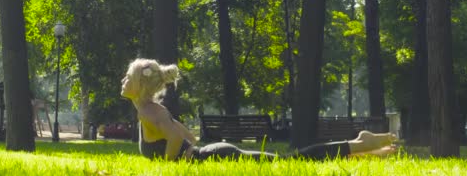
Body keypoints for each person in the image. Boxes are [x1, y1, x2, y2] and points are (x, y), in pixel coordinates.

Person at [121, 58, 397, 161]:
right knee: (289, 160)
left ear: (140, 87)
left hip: (216, 157)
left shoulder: (149, 112)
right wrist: (189, 151)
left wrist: (172, 164)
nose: (123, 81)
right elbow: (187, 137)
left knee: (291, 161)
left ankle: (359, 143)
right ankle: (364, 152)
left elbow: (176, 138)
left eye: (128, 79)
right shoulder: (153, 110)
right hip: (213, 152)